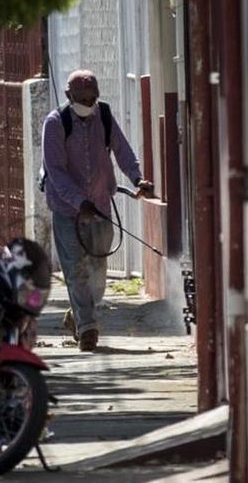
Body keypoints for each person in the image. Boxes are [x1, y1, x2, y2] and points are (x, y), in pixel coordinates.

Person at [41, 69, 153, 352]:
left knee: (98, 271)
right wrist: (80, 203)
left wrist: (137, 178)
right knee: (76, 270)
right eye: (82, 98)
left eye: (93, 98)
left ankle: (78, 315)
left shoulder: (103, 115)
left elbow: (122, 150)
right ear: (69, 96)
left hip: (101, 205)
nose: (88, 103)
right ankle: (88, 329)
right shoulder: (56, 123)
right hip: (67, 210)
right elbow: (55, 171)